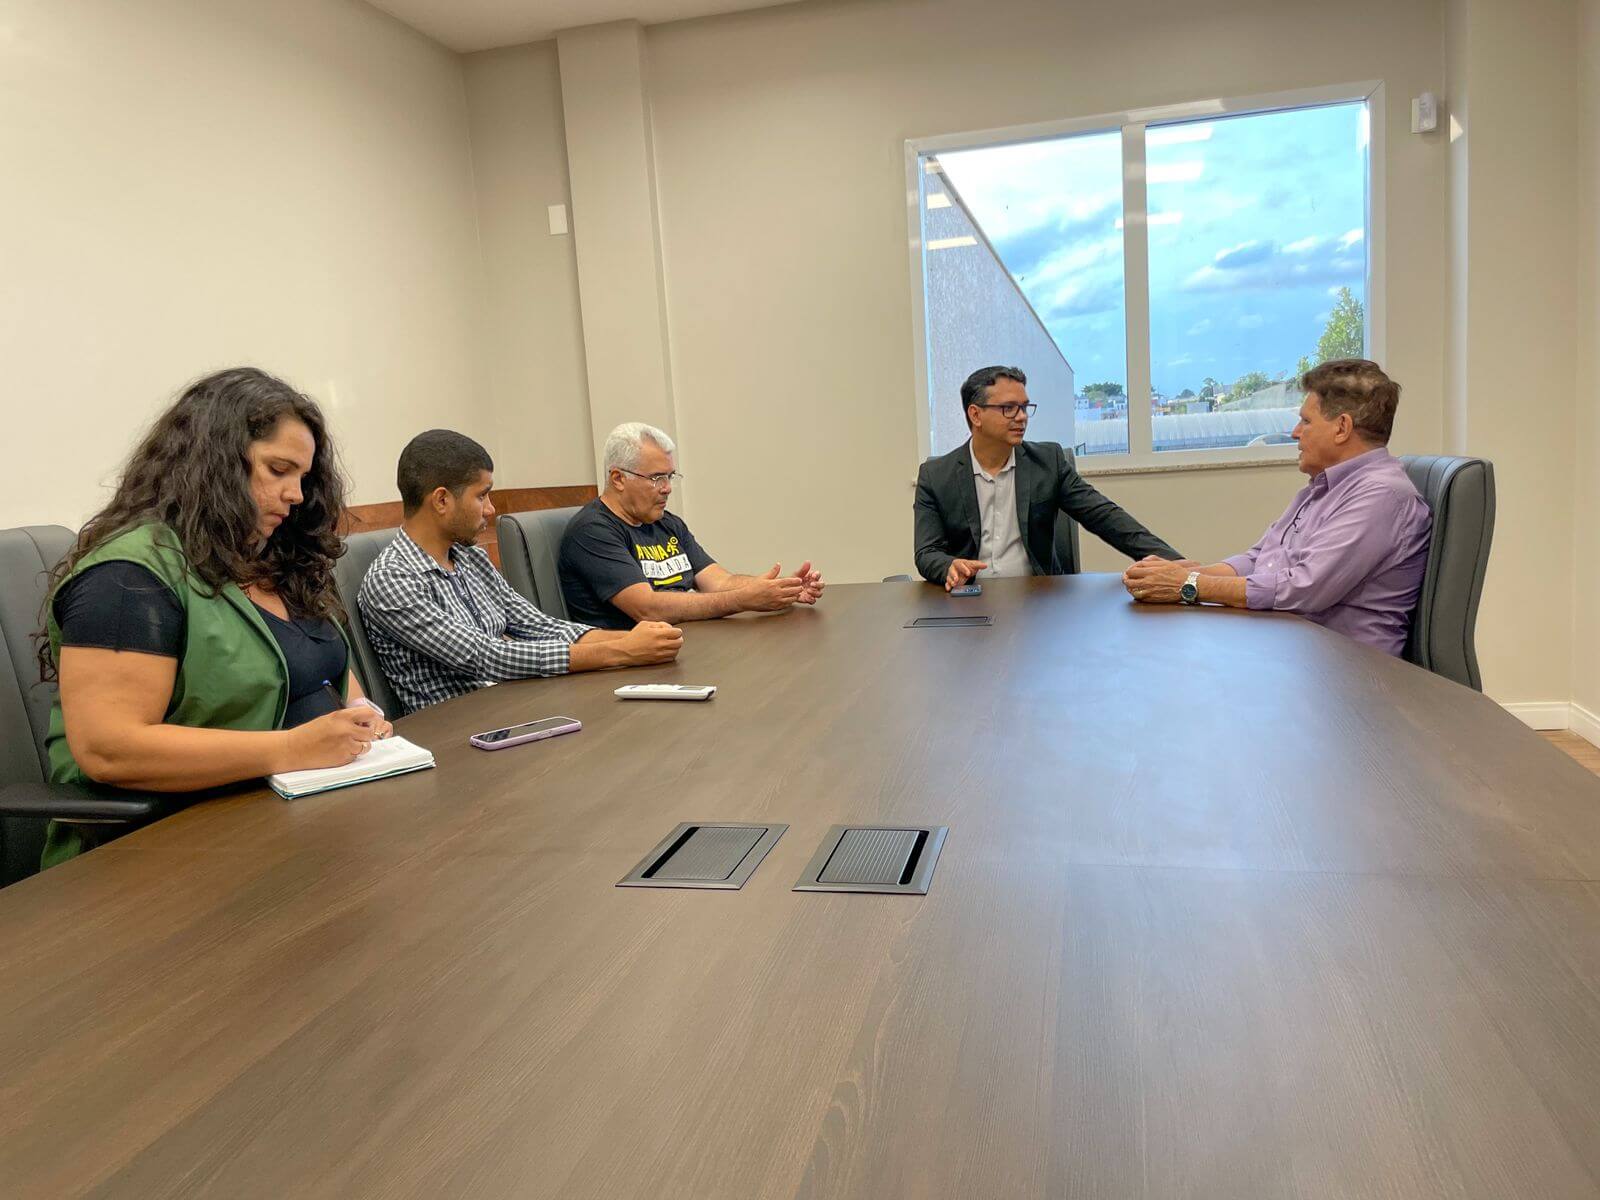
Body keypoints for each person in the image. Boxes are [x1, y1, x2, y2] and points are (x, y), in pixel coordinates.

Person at [38, 367, 393, 868]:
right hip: (167, 853)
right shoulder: (128, 576)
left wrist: (360, 718)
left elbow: (318, 664)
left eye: (303, 477)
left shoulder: (274, 558)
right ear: (216, 463)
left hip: (298, 819)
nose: (295, 494)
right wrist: (291, 748)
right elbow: (108, 748)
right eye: (278, 470)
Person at [358, 430, 682, 715]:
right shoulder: (392, 578)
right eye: (482, 495)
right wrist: (621, 651)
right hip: (457, 734)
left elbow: (536, 625)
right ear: (441, 500)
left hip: (510, 706)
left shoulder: (470, 557)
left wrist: (642, 641)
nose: (490, 509)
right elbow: (487, 655)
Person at [1121, 359, 1431, 656]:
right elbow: (1260, 559)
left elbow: (1303, 589)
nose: (1296, 432)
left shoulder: (1381, 497)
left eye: (1306, 421)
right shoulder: (1324, 488)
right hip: (1298, 649)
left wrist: (1190, 586)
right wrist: (1181, 574)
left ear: (1341, 428)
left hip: (1344, 675)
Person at [914, 365, 1181, 589]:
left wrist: (1177, 566)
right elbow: (927, 553)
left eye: (1024, 407)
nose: (1021, 417)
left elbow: (1106, 517)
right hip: (968, 600)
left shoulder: (1048, 463)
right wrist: (948, 566)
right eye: (1008, 408)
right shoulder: (936, 476)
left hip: (1037, 600)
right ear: (976, 414)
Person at [558, 422, 824, 630]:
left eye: (670, 476)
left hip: (688, 644)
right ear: (618, 478)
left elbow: (719, 582)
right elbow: (648, 609)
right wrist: (744, 599)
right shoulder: (592, 531)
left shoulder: (666, 523)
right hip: (631, 671)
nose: (667, 488)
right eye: (657, 478)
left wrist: (779, 590)